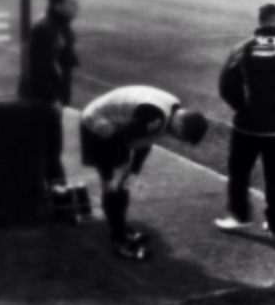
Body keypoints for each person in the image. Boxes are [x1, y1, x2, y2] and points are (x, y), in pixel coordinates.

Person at [215, 4, 275, 237]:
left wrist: (241, 106)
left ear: (259, 20)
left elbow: (226, 85)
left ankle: (239, 216)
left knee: (239, 171)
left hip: (247, 124)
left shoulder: (243, 48)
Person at [80, 85, 208, 260]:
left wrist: (134, 170)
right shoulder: (157, 118)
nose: (177, 139)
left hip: (114, 127)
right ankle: (120, 242)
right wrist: (115, 172)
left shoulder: (171, 110)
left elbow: (145, 140)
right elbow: (115, 141)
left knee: (124, 184)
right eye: (181, 137)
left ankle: (120, 228)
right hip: (97, 124)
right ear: (179, 123)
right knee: (114, 187)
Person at [20, 0, 80, 193]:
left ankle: (49, 192)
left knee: (49, 149)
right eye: (71, 3)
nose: (76, 7)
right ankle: (57, 194)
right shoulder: (46, 29)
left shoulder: (60, 26)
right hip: (42, 102)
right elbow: (39, 69)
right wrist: (52, 99)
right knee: (49, 150)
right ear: (57, 5)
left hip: (48, 101)